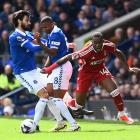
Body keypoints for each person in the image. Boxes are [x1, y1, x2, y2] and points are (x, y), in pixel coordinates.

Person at [42, 32, 137, 124]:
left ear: (102, 42)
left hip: (100, 69)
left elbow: (118, 52)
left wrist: (128, 67)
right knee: (78, 105)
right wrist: (49, 68)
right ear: (92, 42)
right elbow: (67, 57)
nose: (97, 45)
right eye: (95, 43)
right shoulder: (86, 51)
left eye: (99, 43)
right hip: (85, 73)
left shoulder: (108, 45)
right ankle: (68, 101)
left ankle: (122, 114)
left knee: (115, 91)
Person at [9, 10, 79, 132]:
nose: (29, 22)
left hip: (34, 70)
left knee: (50, 94)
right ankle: (34, 125)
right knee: (44, 95)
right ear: (19, 21)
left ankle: (61, 122)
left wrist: (65, 44)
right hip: (23, 73)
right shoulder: (15, 36)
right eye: (27, 20)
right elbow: (33, 47)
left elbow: (48, 43)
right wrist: (47, 45)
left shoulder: (27, 34)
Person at [34, 16, 94, 117]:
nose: (45, 30)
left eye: (46, 27)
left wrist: (40, 43)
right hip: (55, 67)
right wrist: (47, 67)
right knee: (50, 93)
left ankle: (73, 120)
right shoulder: (53, 33)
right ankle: (73, 108)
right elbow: (56, 50)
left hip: (61, 66)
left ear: (52, 24)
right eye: (43, 28)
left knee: (57, 97)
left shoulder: (56, 34)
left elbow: (53, 52)